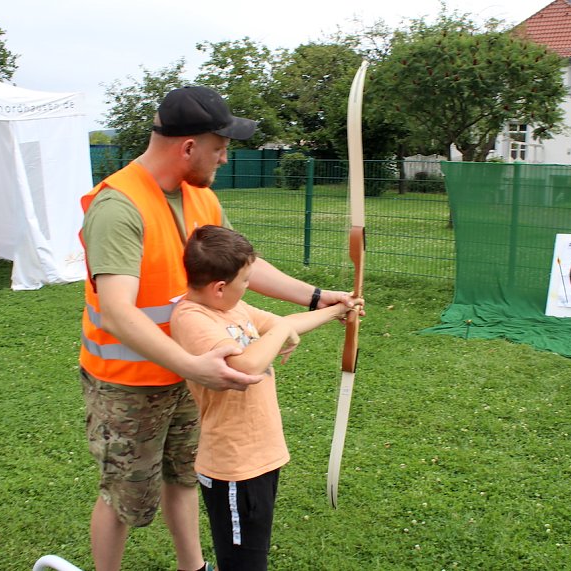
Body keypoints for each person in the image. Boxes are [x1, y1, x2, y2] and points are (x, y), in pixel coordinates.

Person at [79, 86, 358, 571]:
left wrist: (315, 296)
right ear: (188, 147)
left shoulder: (199, 197)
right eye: (220, 146)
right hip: (130, 384)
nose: (226, 158)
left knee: (185, 477)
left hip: (194, 370)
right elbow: (118, 311)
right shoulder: (118, 206)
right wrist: (193, 365)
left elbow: (244, 265)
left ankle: (194, 568)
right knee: (126, 496)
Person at [170, 225, 360, 571]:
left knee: (253, 555)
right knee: (243, 564)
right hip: (232, 467)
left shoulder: (233, 308)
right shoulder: (192, 319)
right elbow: (245, 366)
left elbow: (282, 323)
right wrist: (283, 330)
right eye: (245, 280)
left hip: (260, 457)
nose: (248, 287)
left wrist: (337, 310)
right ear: (219, 288)